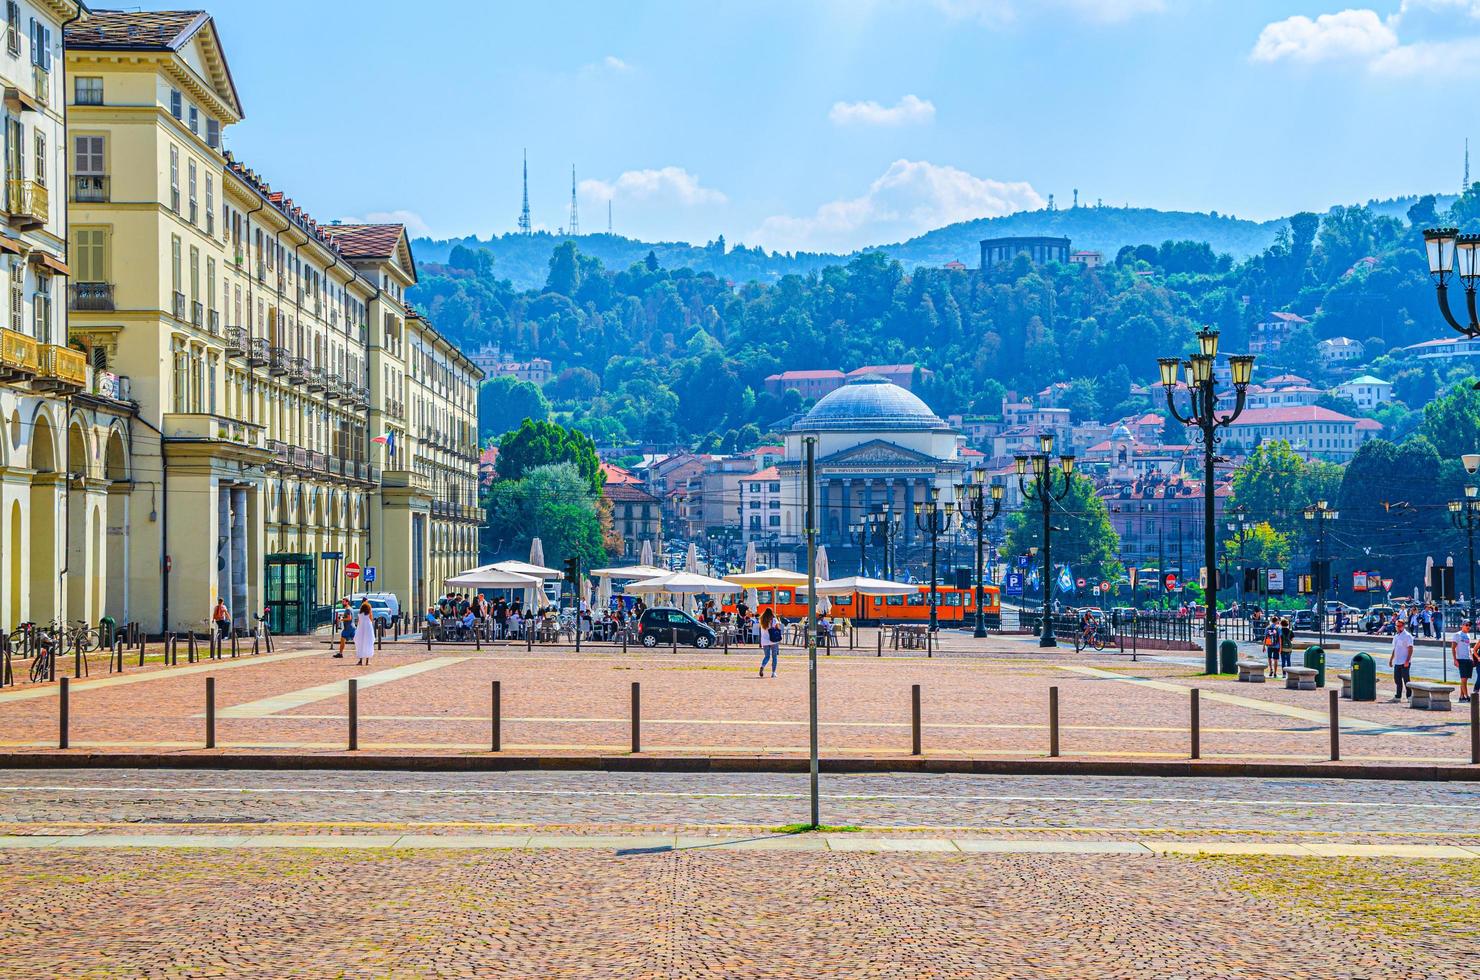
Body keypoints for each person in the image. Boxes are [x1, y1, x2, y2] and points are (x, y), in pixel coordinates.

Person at [1389, 618, 1415, 702]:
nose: (1397, 627)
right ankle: (1398, 696)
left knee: (1406, 680)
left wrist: (1407, 660)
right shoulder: (1396, 636)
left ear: (1403, 626)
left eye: (1399, 626)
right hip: (1397, 661)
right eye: (1396, 626)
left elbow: (1410, 648)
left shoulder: (1407, 636)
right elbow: (1395, 649)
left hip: (1404, 662)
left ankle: (1409, 696)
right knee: (1397, 679)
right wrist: (1391, 659)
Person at [1452, 618, 1473, 704]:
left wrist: (1471, 658)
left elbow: (1468, 648)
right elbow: (1453, 648)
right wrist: (1455, 659)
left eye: (1469, 625)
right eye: (1466, 625)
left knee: (1465, 679)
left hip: (1468, 659)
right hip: (1461, 659)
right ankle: (1467, 696)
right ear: (1462, 625)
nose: (1468, 627)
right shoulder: (1458, 634)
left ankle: (1461, 697)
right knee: (1463, 679)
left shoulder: (1468, 635)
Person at [759, 608, 782, 678]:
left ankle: (762, 666)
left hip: (764, 641)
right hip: (773, 640)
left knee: (767, 656)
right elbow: (778, 628)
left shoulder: (762, 620)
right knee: (774, 657)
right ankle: (773, 672)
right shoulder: (774, 620)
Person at [354, 599, 376, 666]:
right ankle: (367, 660)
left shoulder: (360, 614)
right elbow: (371, 619)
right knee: (368, 643)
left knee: (360, 643)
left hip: (361, 628)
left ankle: (360, 660)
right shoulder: (369, 614)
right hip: (368, 629)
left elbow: (359, 622)